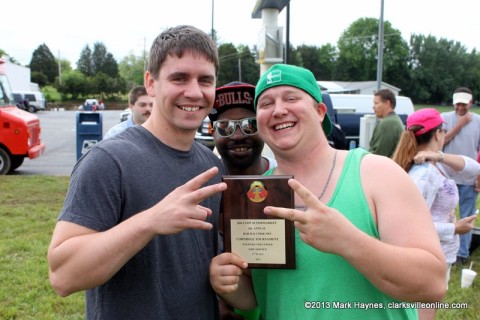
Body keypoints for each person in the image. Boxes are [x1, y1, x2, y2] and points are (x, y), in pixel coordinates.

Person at [209, 64, 446, 320]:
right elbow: (261, 295)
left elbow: (433, 283)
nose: (278, 110)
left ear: (320, 111)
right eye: (266, 104)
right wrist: (228, 283)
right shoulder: (255, 195)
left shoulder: (376, 173)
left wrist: (348, 242)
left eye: (291, 98)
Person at [47, 25, 227, 319]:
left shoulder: (211, 165)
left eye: (205, 80)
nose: (194, 92)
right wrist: (151, 221)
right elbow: (64, 276)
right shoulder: (108, 160)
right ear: (151, 83)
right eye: (179, 78)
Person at [392, 108, 480, 320]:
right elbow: (411, 227)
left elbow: (474, 169)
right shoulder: (424, 175)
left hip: (439, 255)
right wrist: (455, 228)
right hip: (428, 258)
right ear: (439, 134)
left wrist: (439, 155)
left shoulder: (435, 166)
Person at [441, 87, 480, 265]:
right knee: (443, 215)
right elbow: (440, 142)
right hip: (446, 176)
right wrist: (459, 125)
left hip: (469, 178)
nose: (460, 108)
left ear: (470, 103)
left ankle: (462, 254)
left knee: (467, 215)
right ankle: (441, 248)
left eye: (464, 104)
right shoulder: (444, 118)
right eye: (457, 104)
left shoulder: (478, 121)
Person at [210, 81, 276, 175]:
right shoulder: (201, 180)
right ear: (213, 133)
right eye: (227, 127)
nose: (238, 136)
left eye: (249, 125)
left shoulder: (288, 177)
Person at [368, 88, 405, 157]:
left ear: (387, 103)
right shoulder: (395, 120)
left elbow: (377, 156)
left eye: (376, 103)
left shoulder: (388, 124)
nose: (373, 107)